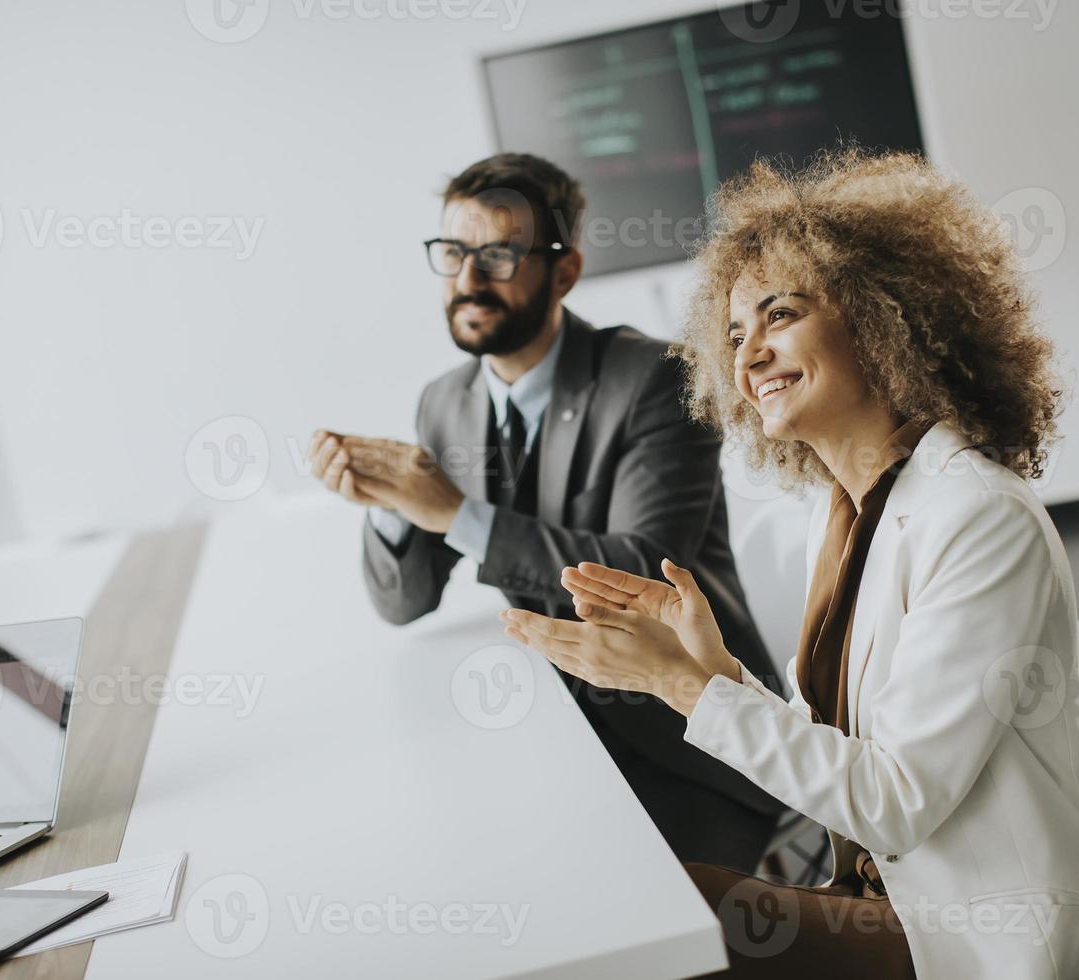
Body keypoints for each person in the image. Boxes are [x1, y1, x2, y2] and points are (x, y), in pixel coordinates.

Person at [500, 150, 1079, 978]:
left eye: (779, 314)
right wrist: (711, 672)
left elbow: (892, 805)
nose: (748, 355)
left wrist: (685, 688)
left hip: (971, 932)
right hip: (882, 897)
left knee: (655, 923)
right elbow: (837, 763)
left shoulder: (978, 517)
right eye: (733, 334)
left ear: (878, 314)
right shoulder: (852, 508)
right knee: (641, 902)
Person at [310, 153, 786, 871]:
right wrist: (388, 508)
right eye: (452, 254)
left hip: (689, 748)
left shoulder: (657, 379)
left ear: (564, 272)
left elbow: (645, 578)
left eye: (498, 255)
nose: (468, 280)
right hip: (548, 734)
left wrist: (457, 514)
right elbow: (404, 603)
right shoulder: (444, 401)